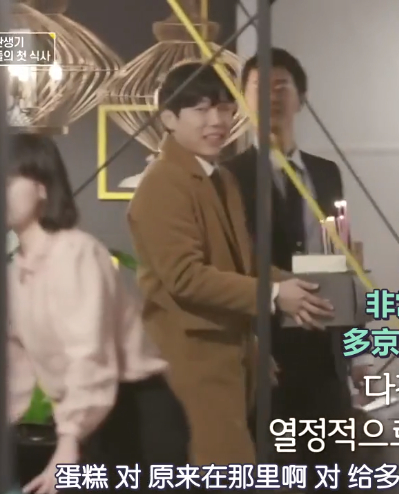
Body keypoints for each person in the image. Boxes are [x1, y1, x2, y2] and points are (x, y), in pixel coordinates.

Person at [126, 62, 334, 468]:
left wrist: (306, 288)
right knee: (222, 469)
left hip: (233, 353)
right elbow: (186, 277)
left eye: (224, 108)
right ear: (169, 118)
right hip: (192, 357)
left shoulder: (220, 178)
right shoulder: (163, 181)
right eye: (202, 109)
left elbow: (245, 262)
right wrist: (276, 294)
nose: (217, 121)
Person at [6, 134, 189, 494]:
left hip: (136, 415)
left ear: (42, 187)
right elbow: (16, 365)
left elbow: (89, 354)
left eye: (7, 180)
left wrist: (69, 440)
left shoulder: (77, 253)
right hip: (90, 421)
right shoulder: (18, 272)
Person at [224, 48, 353, 492]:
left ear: (302, 98)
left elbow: (340, 256)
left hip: (324, 352)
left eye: (283, 86)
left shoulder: (326, 173)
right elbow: (229, 264)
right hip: (266, 352)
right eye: (260, 87)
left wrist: (354, 349)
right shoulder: (228, 176)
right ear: (243, 99)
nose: (272, 96)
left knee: (333, 474)